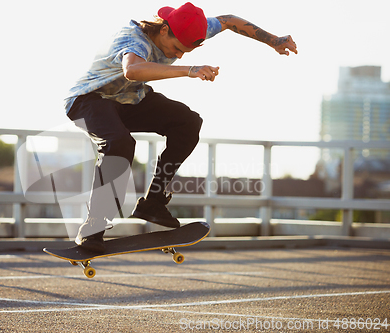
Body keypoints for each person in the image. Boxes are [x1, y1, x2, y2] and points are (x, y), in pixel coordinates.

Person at [64, 2, 297, 252]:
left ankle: (153, 201)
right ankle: (93, 227)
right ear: (164, 29)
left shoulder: (189, 27)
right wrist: (189, 70)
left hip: (130, 100)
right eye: (176, 48)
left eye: (185, 53)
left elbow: (229, 20)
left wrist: (273, 40)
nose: (178, 55)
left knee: (188, 123)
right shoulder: (133, 39)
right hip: (88, 100)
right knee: (120, 143)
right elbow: (132, 70)